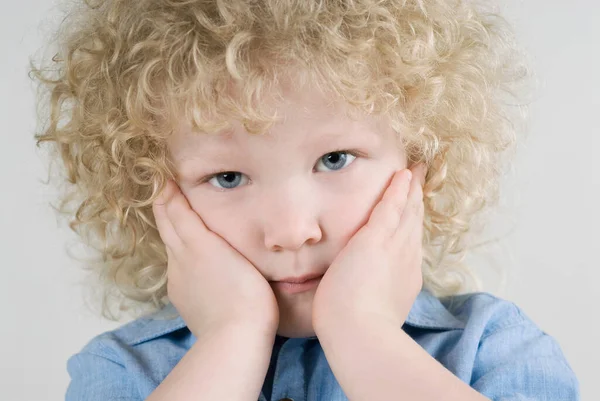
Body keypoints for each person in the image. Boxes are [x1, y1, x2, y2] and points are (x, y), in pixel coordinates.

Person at [30, 0, 579, 400]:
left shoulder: (495, 351)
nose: (292, 231)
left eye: (335, 159)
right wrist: (231, 337)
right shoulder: (124, 371)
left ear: (423, 160)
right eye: (227, 177)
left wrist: (363, 331)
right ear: (152, 190)